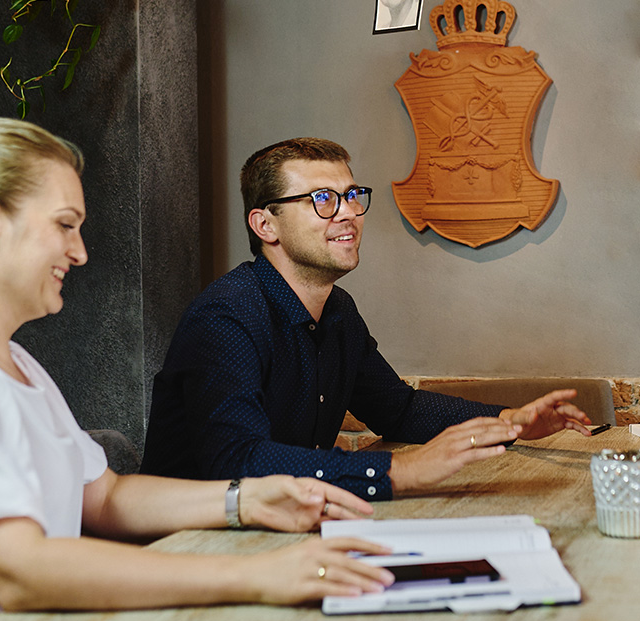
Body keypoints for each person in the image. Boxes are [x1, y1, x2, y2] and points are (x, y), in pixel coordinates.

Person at [0, 120, 395, 621]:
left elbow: (104, 499)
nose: (79, 253)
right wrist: (257, 576)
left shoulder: (12, 360)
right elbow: (17, 571)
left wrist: (246, 499)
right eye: (65, 225)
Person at [140, 137, 592, 500]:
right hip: (193, 547)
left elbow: (399, 410)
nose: (349, 213)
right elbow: (238, 461)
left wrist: (513, 421)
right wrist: (402, 470)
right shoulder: (227, 315)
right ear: (265, 226)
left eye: (352, 196)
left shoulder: (338, 310)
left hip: (287, 528)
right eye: (322, 199)